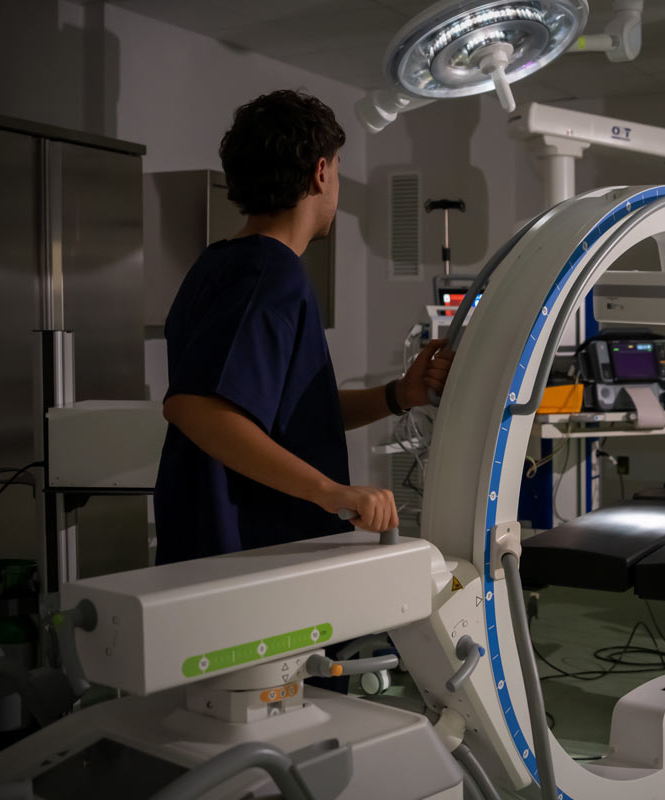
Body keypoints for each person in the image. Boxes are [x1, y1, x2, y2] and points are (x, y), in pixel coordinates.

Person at [153, 89, 452, 565]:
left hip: (218, 546)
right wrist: (330, 492)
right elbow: (195, 406)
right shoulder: (271, 276)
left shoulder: (218, 265)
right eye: (338, 169)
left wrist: (398, 396)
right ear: (321, 172)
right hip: (248, 552)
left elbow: (283, 414)